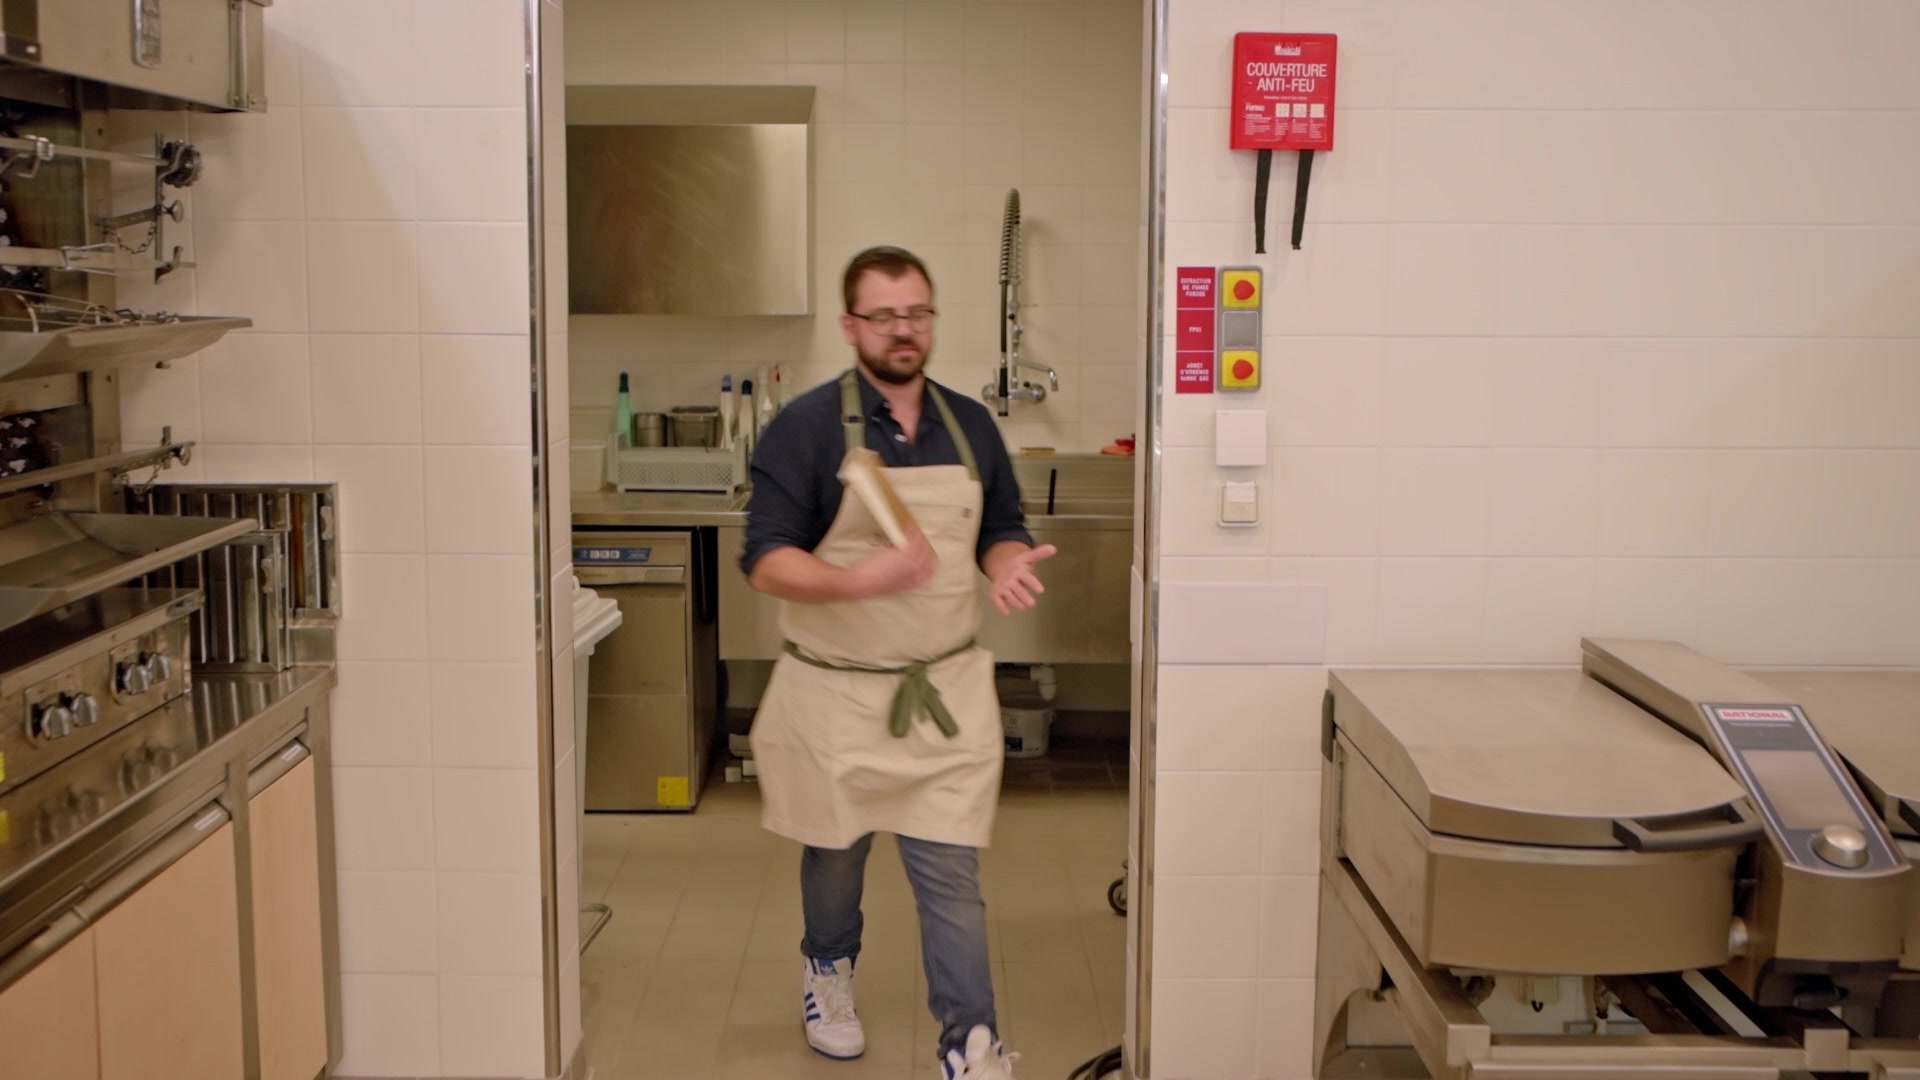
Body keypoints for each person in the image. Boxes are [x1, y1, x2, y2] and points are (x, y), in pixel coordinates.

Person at [741, 245, 1057, 1080]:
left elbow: (1000, 525)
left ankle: (970, 1042)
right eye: (883, 315)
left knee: (949, 871)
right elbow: (766, 559)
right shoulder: (807, 428)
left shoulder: (970, 425)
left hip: (941, 692)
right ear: (852, 326)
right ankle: (828, 968)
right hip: (838, 696)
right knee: (836, 852)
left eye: (916, 312)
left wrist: (1005, 563)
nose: (903, 329)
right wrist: (858, 580)